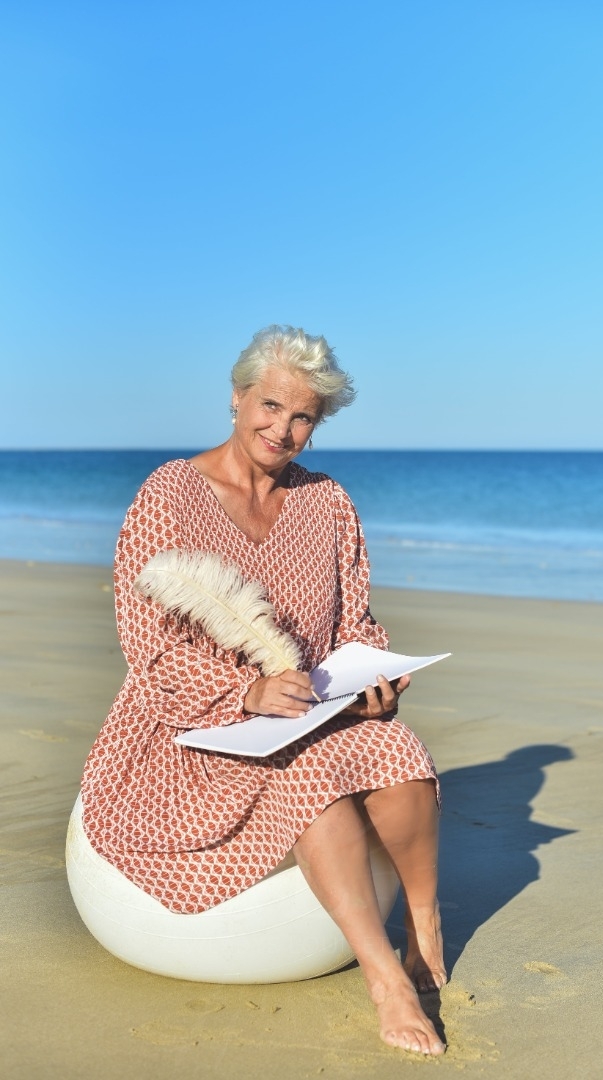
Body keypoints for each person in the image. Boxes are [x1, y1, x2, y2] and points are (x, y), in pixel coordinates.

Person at [81, 325, 446, 1055]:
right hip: (189, 728)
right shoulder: (169, 494)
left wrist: (375, 678)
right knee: (309, 774)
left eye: (303, 416)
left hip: (312, 709)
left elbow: (353, 623)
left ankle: (425, 928)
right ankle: (384, 979)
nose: (282, 429)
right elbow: (149, 647)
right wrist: (245, 694)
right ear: (237, 397)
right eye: (271, 405)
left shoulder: (328, 502)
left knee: (400, 751)